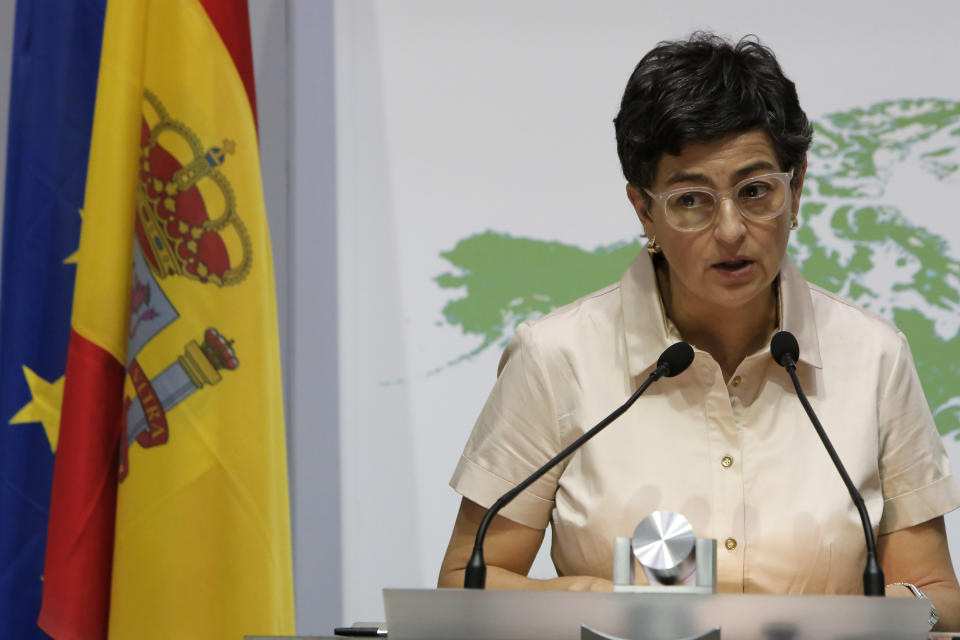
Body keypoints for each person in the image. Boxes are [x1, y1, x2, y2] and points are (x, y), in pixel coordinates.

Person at [436, 33, 960, 630]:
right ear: (643, 210)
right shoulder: (559, 357)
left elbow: (937, 593)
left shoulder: (873, 356)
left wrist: (831, 621)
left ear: (798, 190)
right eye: (692, 200)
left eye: (756, 191)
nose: (732, 229)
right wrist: (603, 601)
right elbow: (464, 584)